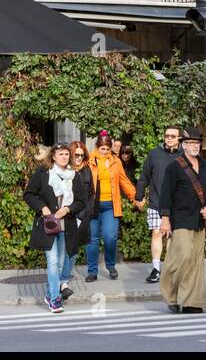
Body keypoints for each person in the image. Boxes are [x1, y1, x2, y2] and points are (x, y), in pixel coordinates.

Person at [159, 127, 206, 313]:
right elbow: (165, 194)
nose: (194, 146)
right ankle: (171, 293)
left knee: (195, 262)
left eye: (197, 143)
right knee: (181, 257)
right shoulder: (174, 167)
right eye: (190, 143)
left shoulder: (205, 165)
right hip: (180, 218)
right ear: (183, 145)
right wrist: (165, 219)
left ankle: (192, 302)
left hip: (199, 220)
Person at [24, 144, 83, 313]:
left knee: (61, 262)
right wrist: (42, 207)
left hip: (67, 224)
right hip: (48, 224)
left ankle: (50, 294)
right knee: (53, 261)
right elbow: (29, 194)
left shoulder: (74, 176)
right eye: (60, 154)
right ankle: (55, 299)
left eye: (66, 154)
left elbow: (82, 201)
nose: (64, 157)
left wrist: (69, 209)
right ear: (54, 157)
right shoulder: (43, 174)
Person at [85, 129, 139, 282]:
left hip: (110, 205)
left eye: (108, 149)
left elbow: (124, 181)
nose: (105, 152)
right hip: (93, 205)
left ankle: (110, 265)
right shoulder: (89, 161)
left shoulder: (116, 161)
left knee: (110, 237)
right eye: (102, 149)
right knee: (92, 240)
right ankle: (92, 271)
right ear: (97, 147)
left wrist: (135, 197)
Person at [135, 125, 182, 284]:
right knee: (157, 233)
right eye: (167, 135)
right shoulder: (154, 154)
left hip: (177, 204)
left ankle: (168, 268)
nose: (169, 138)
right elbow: (144, 176)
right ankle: (156, 269)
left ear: (179, 139)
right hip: (156, 202)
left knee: (171, 236)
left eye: (173, 136)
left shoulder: (184, 155)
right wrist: (139, 196)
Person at [58, 140, 95, 297]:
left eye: (82, 155)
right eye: (76, 155)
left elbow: (91, 194)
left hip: (82, 216)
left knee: (73, 252)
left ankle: (62, 281)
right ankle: (62, 282)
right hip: (65, 216)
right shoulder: (63, 172)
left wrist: (86, 214)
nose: (79, 158)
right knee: (63, 251)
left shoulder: (86, 171)